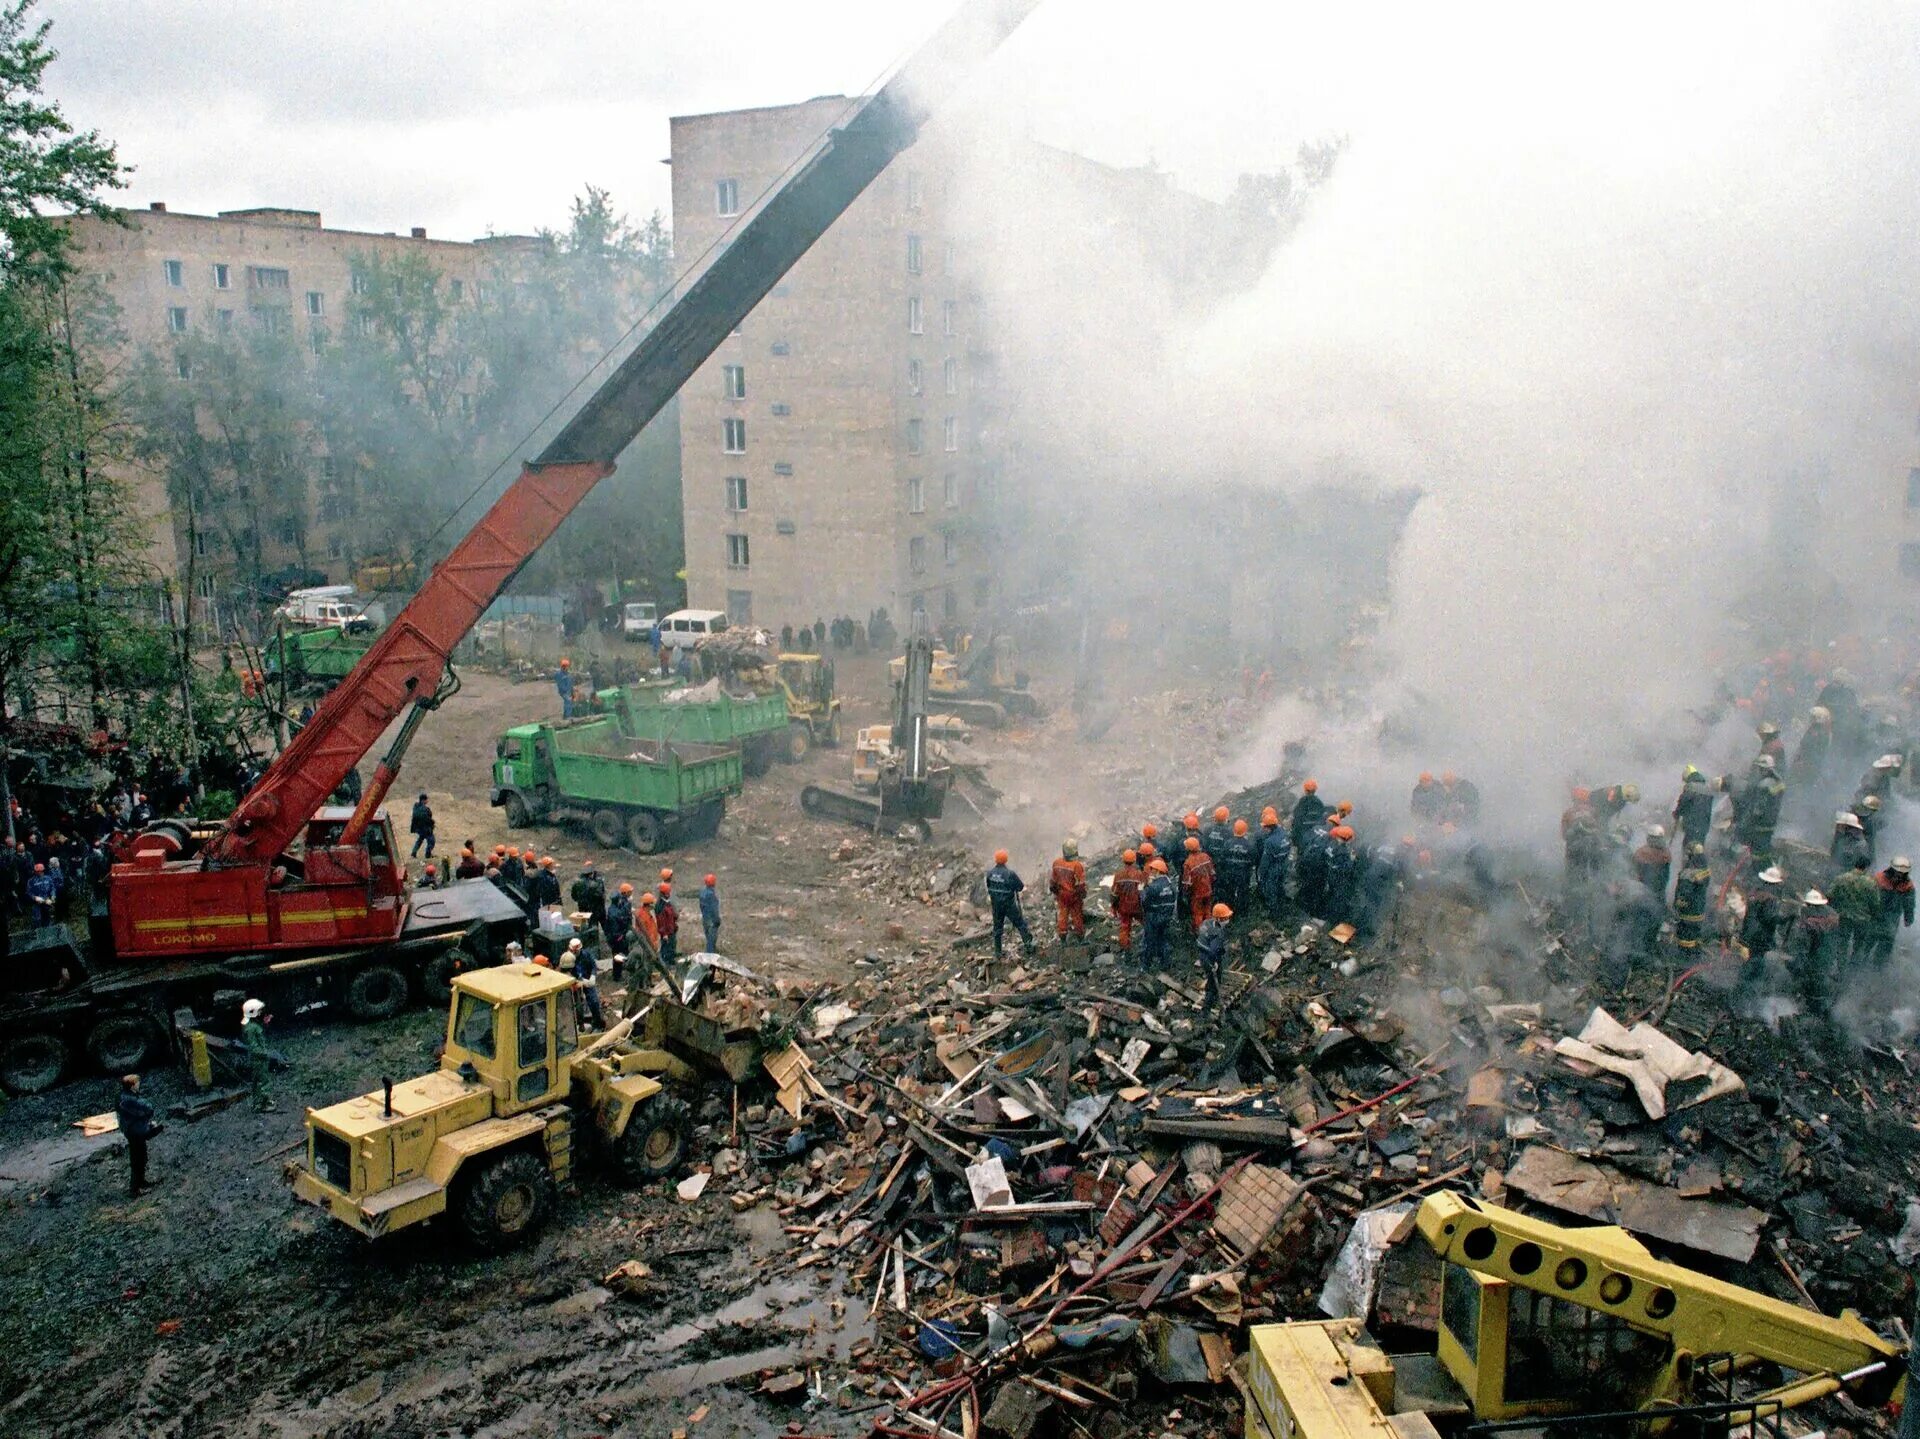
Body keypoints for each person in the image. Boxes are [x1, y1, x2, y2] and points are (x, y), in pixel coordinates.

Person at [1789, 890, 1840, 1014]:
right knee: (1822, 979)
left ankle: (1814, 1007)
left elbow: (1803, 941)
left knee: (1814, 980)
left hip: (1818, 955)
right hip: (1828, 954)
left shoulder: (1810, 919)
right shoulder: (1831, 915)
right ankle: (1820, 1008)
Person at [985, 849, 1035, 961]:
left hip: (996, 906)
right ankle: (1029, 946)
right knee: (1020, 924)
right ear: (1006, 860)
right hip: (1009, 905)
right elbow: (1020, 887)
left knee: (997, 928)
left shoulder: (990, 873)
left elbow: (989, 887)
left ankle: (998, 952)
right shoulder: (1010, 874)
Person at [1865, 856, 1914, 968]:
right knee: (1869, 937)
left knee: (1887, 939)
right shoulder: (1878, 879)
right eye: (1897, 872)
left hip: (1892, 917)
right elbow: (1868, 895)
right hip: (1875, 914)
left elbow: (1909, 903)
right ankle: (1861, 960)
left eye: (1903, 873)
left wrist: (1908, 918)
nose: (1899, 876)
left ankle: (1879, 965)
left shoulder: (1907, 886)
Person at [1828, 856, 1879, 964]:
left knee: (1843, 942)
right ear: (1867, 867)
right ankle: (1853, 969)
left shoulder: (1841, 878)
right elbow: (1875, 903)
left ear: (1855, 865)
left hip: (1845, 916)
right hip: (1863, 920)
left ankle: (1839, 968)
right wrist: (1874, 916)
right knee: (1858, 945)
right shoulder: (1871, 883)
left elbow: (1830, 895)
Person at [116, 1073, 158, 1198]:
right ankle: (135, 1189)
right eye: (137, 1083)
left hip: (134, 1130)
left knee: (141, 1157)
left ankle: (141, 1183)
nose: (139, 1085)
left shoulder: (124, 1097)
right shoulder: (128, 1100)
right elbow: (145, 1109)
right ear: (132, 1086)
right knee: (138, 1160)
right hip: (134, 1132)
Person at [1671, 843, 1711, 954]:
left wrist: (1677, 906)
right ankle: (1696, 954)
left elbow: (1684, 895)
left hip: (1687, 913)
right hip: (1699, 910)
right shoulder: (1704, 870)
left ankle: (1685, 959)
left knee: (1685, 939)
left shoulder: (1688, 875)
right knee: (1695, 935)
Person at [1140, 858, 1177, 969]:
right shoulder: (1171, 884)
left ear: (1157, 871)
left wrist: (1142, 891)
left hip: (1153, 916)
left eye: (1153, 870)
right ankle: (1165, 963)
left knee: (1149, 941)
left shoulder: (1153, 887)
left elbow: (1144, 902)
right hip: (1166, 916)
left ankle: (1146, 964)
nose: (1151, 872)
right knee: (1163, 939)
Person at [1672, 766, 1717, 856]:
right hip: (1704, 826)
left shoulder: (1690, 787)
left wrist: (1676, 813)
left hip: (1691, 825)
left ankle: (1687, 867)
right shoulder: (1708, 789)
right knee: (1699, 849)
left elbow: (1683, 803)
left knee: (1688, 849)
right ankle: (1698, 866)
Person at [1195, 902, 1231, 1012]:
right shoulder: (1217, 933)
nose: (1228, 920)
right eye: (1226, 918)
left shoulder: (1207, 923)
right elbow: (1214, 951)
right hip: (1210, 959)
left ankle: (1210, 998)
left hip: (1202, 955)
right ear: (1220, 919)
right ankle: (1206, 1010)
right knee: (1214, 984)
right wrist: (1214, 962)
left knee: (1210, 980)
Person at [1048, 839, 1087, 941]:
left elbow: (1053, 880)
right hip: (1073, 895)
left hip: (1061, 895)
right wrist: (1082, 894)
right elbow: (1080, 884)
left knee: (1063, 915)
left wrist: (1054, 890)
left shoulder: (1056, 863)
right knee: (1077, 915)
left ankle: (1062, 936)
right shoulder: (1077, 865)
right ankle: (1080, 937)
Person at [1218, 819, 1256, 918]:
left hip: (1230, 873)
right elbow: (1253, 860)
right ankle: (1243, 913)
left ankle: (1229, 911)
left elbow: (1222, 859)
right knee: (1243, 892)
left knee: (1229, 892)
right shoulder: (1249, 845)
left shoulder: (1227, 843)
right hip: (1243, 874)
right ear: (1245, 830)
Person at [241, 998, 274, 1112]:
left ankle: (260, 1103)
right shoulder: (251, 1029)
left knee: (258, 1081)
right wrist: (266, 1054)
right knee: (262, 1082)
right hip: (259, 1060)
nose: (261, 1013)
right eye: (259, 1011)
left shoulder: (252, 1025)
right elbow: (255, 1047)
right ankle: (262, 1105)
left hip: (259, 1059)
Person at [1256, 812, 1291, 917]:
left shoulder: (1270, 841)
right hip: (1283, 864)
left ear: (1269, 827)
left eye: (1264, 827)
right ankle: (1282, 904)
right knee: (1280, 885)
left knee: (1271, 889)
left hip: (1273, 867)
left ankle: (1274, 912)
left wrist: (1261, 874)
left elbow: (1265, 861)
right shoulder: (1284, 834)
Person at [566, 937, 605, 1030]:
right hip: (574, 982)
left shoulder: (586, 955)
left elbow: (593, 966)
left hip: (586, 980)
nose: (575, 953)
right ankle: (580, 1025)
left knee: (594, 1001)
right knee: (577, 1005)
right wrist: (574, 981)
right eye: (573, 951)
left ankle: (597, 1022)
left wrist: (593, 975)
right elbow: (566, 971)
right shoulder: (568, 958)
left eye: (577, 951)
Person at [1110, 849, 1145, 952]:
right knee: (1146, 924)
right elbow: (1143, 892)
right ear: (1134, 860)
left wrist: (1114, 906)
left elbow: (1114, 893)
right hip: (1137, 906)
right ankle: (1149, 944)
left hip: (1124, 907)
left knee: (1124, 928)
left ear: (1123, 860)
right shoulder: (1139, 874)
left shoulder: (1119, 875)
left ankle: (1126, 951)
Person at [1180, 835, 1214, 933]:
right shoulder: (1206, 857)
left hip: (1197, 894)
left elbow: (1187, 883)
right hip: (1208, 889)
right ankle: (1210, 930)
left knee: (1197, 914)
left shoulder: (1188, 863)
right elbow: (1212, 874)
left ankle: (1201, 934)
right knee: (1208, 911)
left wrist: (1185, 894)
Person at [1795, 706, 1834, 785]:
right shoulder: (1817, 730)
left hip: (1812, 766)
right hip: (1810, 764)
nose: (1810, 719)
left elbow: (1811, 748)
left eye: (1812, 717)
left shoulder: (1820, 733)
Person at [1631, 825, 1672, 899]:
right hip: (1657, 891)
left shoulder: (1641, 852)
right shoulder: (1666, 853)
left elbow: (1634, 872)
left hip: (1645, 892)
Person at [570, 860, 608, 933]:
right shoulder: (596, 883)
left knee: (591, 926)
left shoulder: (578, 883)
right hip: (597, 909)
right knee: (602, 924)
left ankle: (593, 938)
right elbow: (601, 895)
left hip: (585, 909)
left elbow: (574, 896)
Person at [1290, 779, 1327, 849]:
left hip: (1302, 836)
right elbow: (1322, 820)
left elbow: (1297, 820)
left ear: (1305, 790)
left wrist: (1294, 838)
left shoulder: (1302, 802)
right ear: (1315, 790)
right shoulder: (1319, 803)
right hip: (1314, 837)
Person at [605, 881, 635, 961]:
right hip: (618, 937)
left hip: (614, 937)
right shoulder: (618, 912)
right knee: (621, 955)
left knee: (617, 955)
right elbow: (624, 920)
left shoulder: (611, 909)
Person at [656, 882, 680, 967]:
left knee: (672, 946)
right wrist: (664, 933)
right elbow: (661, 921)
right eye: (668, 892)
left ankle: (671, 961)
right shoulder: (660, 905)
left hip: (671, 929)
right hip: (666, 931)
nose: (669, 894)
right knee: (666, 948)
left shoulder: (667, 903)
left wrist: (675, 918)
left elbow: (671, 915)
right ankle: (665, 963)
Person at [26, 862, 56, 929]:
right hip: (37, 903)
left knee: (48, 918)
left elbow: (52, 888)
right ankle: (37, 932)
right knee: (37, 919)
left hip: (47, 901)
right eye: (38, 871)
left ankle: (48, 931)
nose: (40, 873)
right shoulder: (31, 881)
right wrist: (34, 897)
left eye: (41, 871)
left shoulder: (48, 878)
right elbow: (29, 892)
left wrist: (53, 896)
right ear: (35, 872)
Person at [699, 873, 722, 953]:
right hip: (711, 920)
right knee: (712, 939)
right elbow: (714, 909)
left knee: (708, 936)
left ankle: (711, 951)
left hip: (705, 918)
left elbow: (701, 906)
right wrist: (717, 920)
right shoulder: (711, 895)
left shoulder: (702, 892)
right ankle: (710, 955)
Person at [409, 793, 436, 858]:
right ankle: (428, 854)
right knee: (431, 841)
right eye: (426, 799)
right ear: (423, 800)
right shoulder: (425, 809)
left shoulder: (416, 806)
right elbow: (426, 819)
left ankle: (414, 852)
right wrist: (432, 822)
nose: (427, 801)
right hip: (425, 829)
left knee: (420, 839)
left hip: (419, 828)